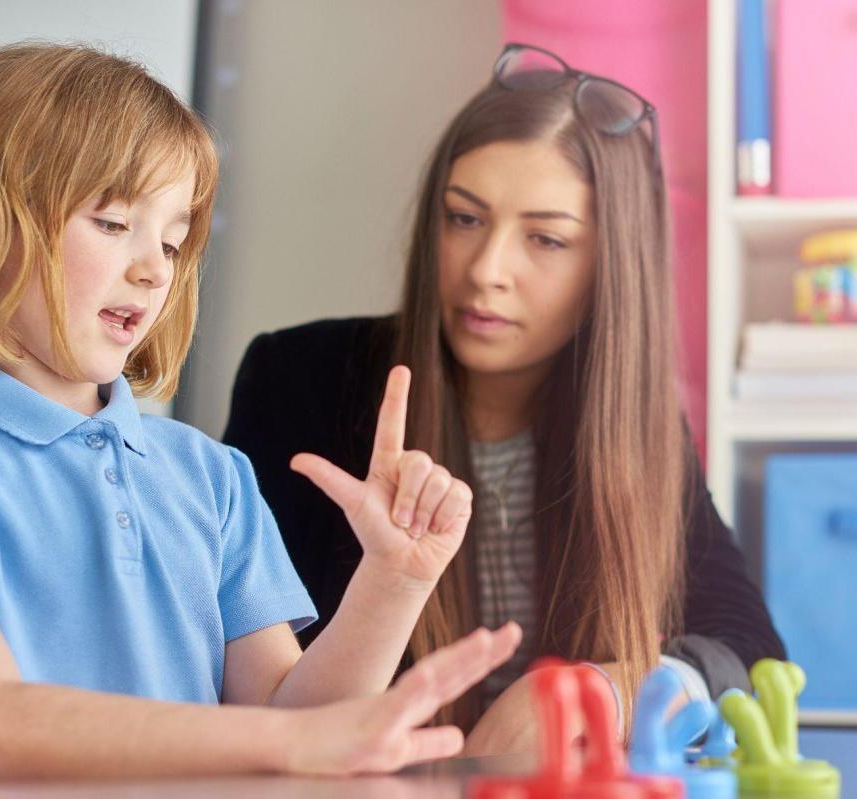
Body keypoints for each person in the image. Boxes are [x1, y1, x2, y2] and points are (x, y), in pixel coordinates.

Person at [0, 42, 520, 792]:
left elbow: (288, 724)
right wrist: (294, 739)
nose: (155, 268)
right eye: (112, 222)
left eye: (173, 241)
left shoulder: (212, 477)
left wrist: (392, 580)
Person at [226, 43, 784, 756]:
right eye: (464, 219)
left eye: (545, 239)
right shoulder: (297, 378)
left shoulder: (634, 425)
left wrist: (607, 691)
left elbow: (750, 653)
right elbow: (244, 672)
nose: (487, 271)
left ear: (611, 266)